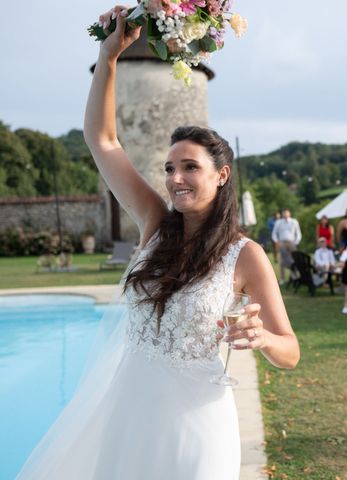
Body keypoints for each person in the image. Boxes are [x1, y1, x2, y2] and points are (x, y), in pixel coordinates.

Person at [17, 8, 300, 479]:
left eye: (189, 166)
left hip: (199, 425)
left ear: (221, 174)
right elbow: (102, 140)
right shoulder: (154, 223)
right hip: (130, 413)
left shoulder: (245, 255)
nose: (175, 178)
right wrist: (107, 57)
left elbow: (290, 351)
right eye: (170, 168)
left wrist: (264, 338)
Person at [271, 208, 302, 285]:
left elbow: (298, 233)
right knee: (283, 261)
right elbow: (274, 233)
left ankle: (294, 276)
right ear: (282, 214)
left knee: (294, 260)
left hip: (292, 243)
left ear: (289, 213)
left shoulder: (294, 222)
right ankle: (282, 278)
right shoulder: (278, 222)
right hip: (282, 243)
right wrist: (277, 241)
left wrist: (296, 242)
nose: (285, 214)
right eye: (284, 213)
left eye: (286, 213)